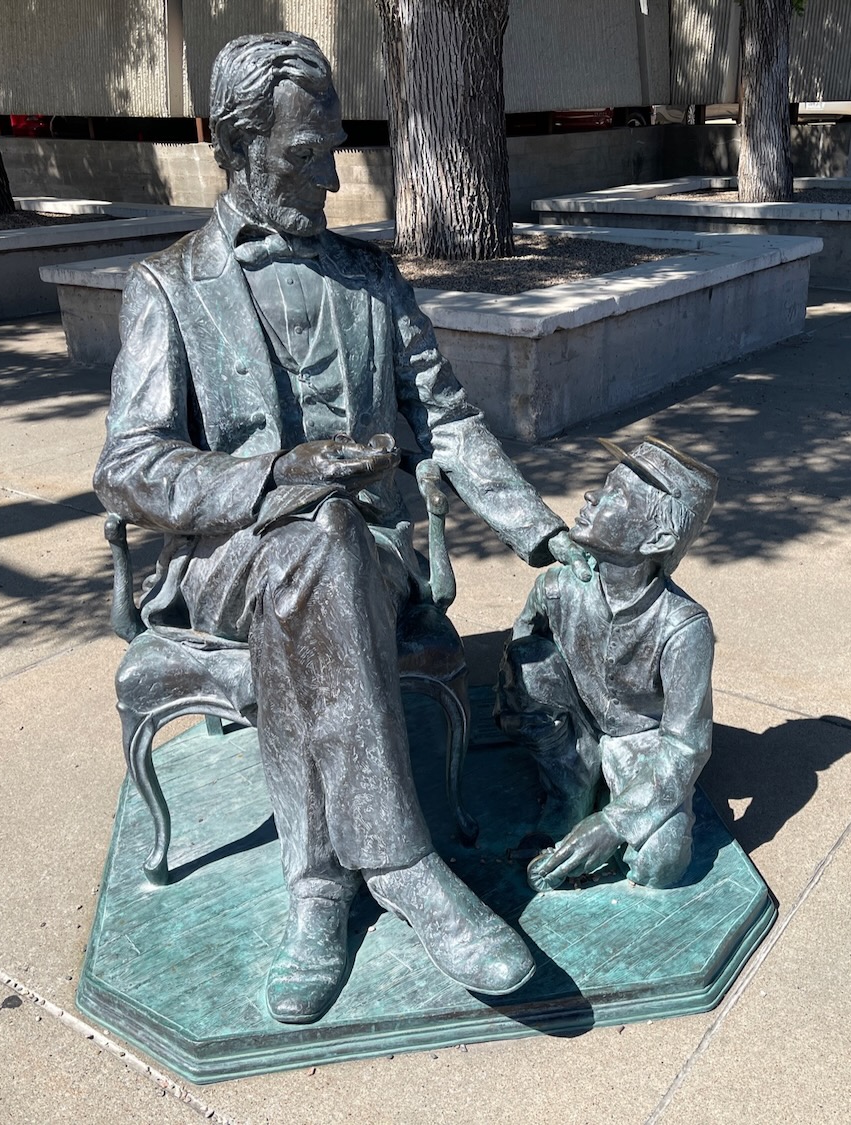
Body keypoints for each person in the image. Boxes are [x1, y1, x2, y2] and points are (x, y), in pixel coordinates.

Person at [93, 32, 589, 1024]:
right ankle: (403, 864)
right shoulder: (168, 288)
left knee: (322, 541)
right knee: (312, 532)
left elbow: (447, 417)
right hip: (229, 559)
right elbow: (129, 466)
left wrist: (540, 533)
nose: (329, 180)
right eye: (303, 156)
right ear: (237, 148)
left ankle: (320, 888)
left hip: (375, 552)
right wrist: (275, 474)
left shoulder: (371, 278)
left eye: (333, 151)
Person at [496, 437, 718, 891]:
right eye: (604, 485)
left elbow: (685, 746)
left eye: (617, 495)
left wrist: (615, 823)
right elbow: (520, 669)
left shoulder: (683, 627)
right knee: (527, 660)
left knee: (661, 864)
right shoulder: (557, 589)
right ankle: (572, 789)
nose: (592, 495)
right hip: (573, 734)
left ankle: (605, 799)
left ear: (657, 539)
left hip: (641, 744)